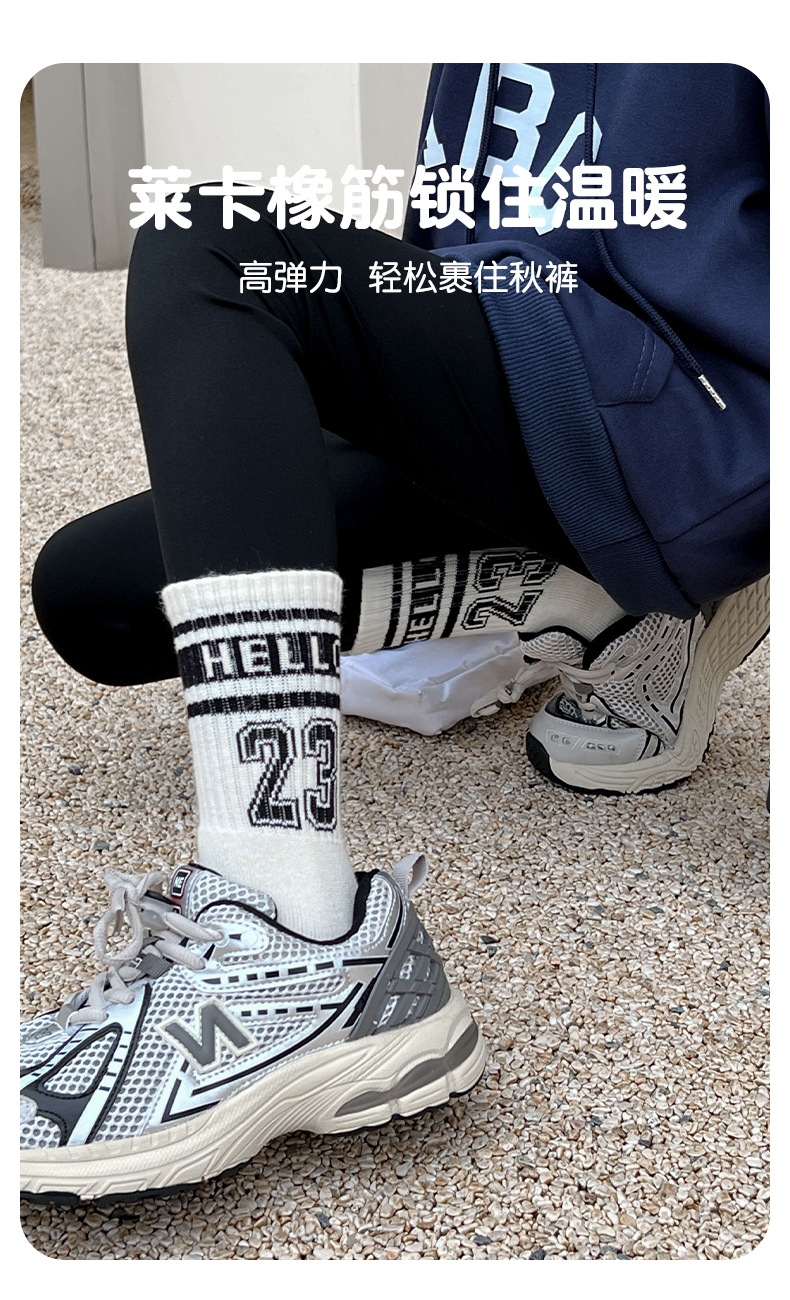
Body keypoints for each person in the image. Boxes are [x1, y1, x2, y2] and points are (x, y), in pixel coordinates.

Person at [20, 62, 768, 1204]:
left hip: (682, 413)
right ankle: (585, 598)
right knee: (100, 596)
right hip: (523, 364)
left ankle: (291, 930)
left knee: (209, 241)